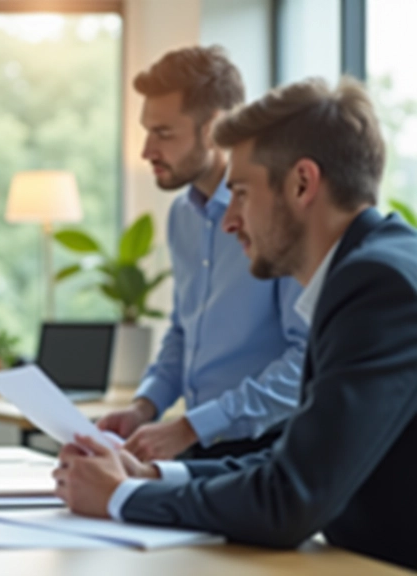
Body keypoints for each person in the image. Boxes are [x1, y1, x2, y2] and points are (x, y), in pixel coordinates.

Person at [54, 77, 417, 571]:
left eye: (242, 193)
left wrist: (123, 497)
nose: (229, 221)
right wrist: (154, 474)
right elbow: (294, 460)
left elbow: (289, 500)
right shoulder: (372, 270)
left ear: (303, 184)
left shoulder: (377, 287)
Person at [97, 46, 308, 461]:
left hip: (269, 451)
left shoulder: (279, 217)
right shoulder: (182, 216)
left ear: (213, 128)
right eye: (147, 131)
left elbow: (306, 363)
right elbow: (182, 331)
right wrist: (145, 407)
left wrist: (193, 426)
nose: (146, 151)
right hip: (199, 446)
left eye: (163, 133)